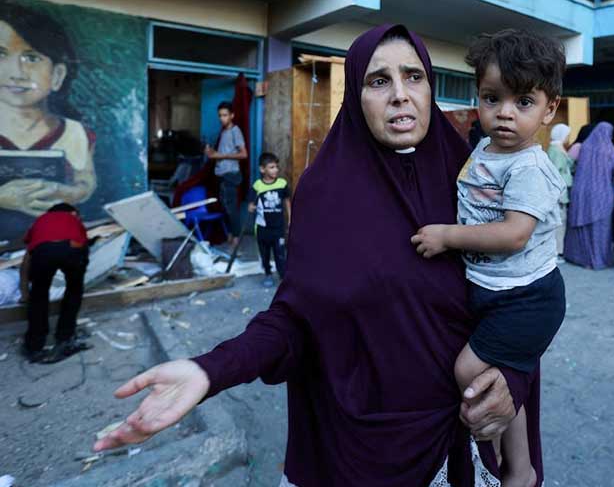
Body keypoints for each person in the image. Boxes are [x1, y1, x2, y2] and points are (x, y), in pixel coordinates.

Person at [94, 25, 541, 487]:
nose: (400, 95)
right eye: (378, 81)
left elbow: (528, 295)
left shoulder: (478, 183)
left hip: (462, 442)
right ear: (355, 97)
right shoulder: (325, 195)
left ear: (430, 87)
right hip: (355, 448)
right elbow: (297, 319)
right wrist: (210, 370)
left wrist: (512, 376)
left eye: (413, 76)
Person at [413, 29, 566, 487]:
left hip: (527, 299)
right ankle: (513, 465)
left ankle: (508, 463)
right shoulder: (485, 149)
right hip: (498, 293)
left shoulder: (528, 167)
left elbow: (515, 234)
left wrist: (448, 236)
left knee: (470, 370)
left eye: (523, 102)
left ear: (549, 109)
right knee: (501, 377)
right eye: (491, 98)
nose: (504, 113)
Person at [0, 3, 97, 232]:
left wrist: (57, 190)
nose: (16, 73)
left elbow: (85, 184)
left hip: (52, 243)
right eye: (1, 54)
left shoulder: (76, 133)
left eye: (32, 58)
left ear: (57, 75)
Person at [19, 203, 93, 363]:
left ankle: (34, 345)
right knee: (74, 291)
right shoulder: (75, 221)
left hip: (43, 251)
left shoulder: (40, 220)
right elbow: (85, 246)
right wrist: (80, 269)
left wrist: (25, 292)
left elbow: (27, 259)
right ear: (73, 213)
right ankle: (65, 338)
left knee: (39, 295)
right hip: (73, 248)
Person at [564, 121, 614, 270]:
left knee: (581, 226)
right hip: (602, 193)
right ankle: (598, 259)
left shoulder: (584, 147)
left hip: (581, 191)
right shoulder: (609, 151)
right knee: (600, 227)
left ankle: (578, 257)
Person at [204, 101, 247, 247]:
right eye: (220, 115)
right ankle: (230, 234)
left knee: (231, 208)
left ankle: (236, 237)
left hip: (231, 175)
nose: (222, 118)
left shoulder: (235, 131)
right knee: (225, 207)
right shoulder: (223, 132)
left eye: (225, 115)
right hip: (222, 175)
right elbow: (220, 154)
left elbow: (243, 154)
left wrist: (220, 156)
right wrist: (211, 153)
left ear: (232, 115)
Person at [248, 152, 291, 287]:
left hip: (278, 227)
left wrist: (290, 218)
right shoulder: (257, 186)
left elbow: (287, 202)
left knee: (280, 253)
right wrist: (251, 207)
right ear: (262, 169)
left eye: (276, 167)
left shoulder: (282, 184)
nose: (276, 170)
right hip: (262, 228)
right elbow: (250, 204)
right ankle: (267, 274)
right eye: (272, 167)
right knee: (265, 253)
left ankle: (283, 277)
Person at [547, 123, 574, 260]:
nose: (568, 137)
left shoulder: (557, 148)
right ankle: (557, 252)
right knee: (559, 222)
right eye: (567, 135)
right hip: (558, 194)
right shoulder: (556, 151)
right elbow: (556, 174)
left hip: (559, 193)